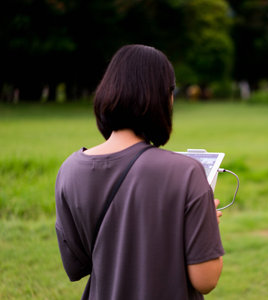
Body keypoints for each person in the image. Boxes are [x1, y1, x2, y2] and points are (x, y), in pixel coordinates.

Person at [55, 44, 224, 300]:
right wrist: (204, 228)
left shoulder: (69, 170)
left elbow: (77, 266)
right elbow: (205, 280)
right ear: (162, 97)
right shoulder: (188, 172)